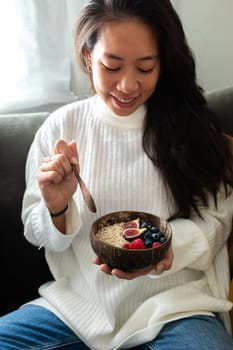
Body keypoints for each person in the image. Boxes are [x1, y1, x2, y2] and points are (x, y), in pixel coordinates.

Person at [1, 0, 233, 349]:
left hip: (177, 308)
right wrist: (57, 208)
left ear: (164, 64)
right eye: (112, 66)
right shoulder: (62, 127)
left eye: (145, 67)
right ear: (88, 56)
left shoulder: (192, 128)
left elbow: (218, 217)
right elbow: (37, 232)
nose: (127, 86)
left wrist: (168, 251)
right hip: (78, 309)